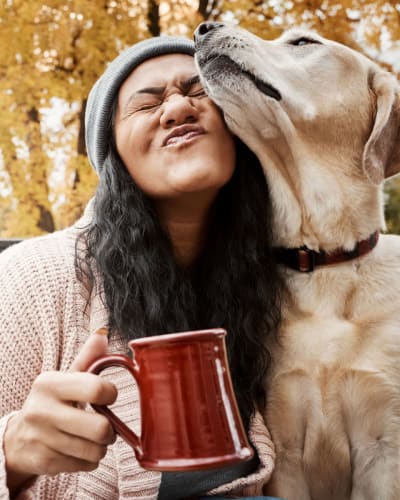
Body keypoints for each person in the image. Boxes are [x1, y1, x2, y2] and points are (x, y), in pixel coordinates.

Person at [0, 34, 284, 499]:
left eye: (198, 92)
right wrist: (12, 451)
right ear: (113, 156)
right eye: (146, 104)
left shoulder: (277, 280)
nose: (177, 109)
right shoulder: (33, 276)